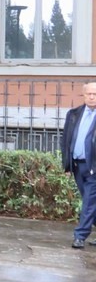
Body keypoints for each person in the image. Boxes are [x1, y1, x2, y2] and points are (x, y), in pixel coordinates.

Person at [61, 82, 96, 248]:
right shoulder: (74, 114)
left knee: (89, 201)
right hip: (78, 165)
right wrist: (67, 165)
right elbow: (66, 140)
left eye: (94, 94)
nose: (91, 97)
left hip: (94, 167)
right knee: (89, 200)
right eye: (88, 94)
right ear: (83, 95)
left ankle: (80, 235)